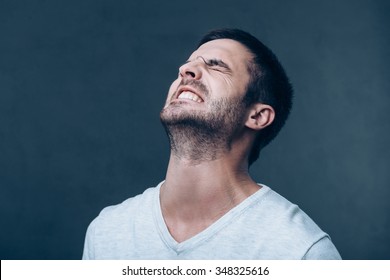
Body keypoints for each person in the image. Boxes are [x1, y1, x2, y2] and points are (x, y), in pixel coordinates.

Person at [82, 28, 341, 260]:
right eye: (187, 64)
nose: (186, 70)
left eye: (216, 66)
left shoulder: (301, 251)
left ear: (257, 116)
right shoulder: (106, 231)